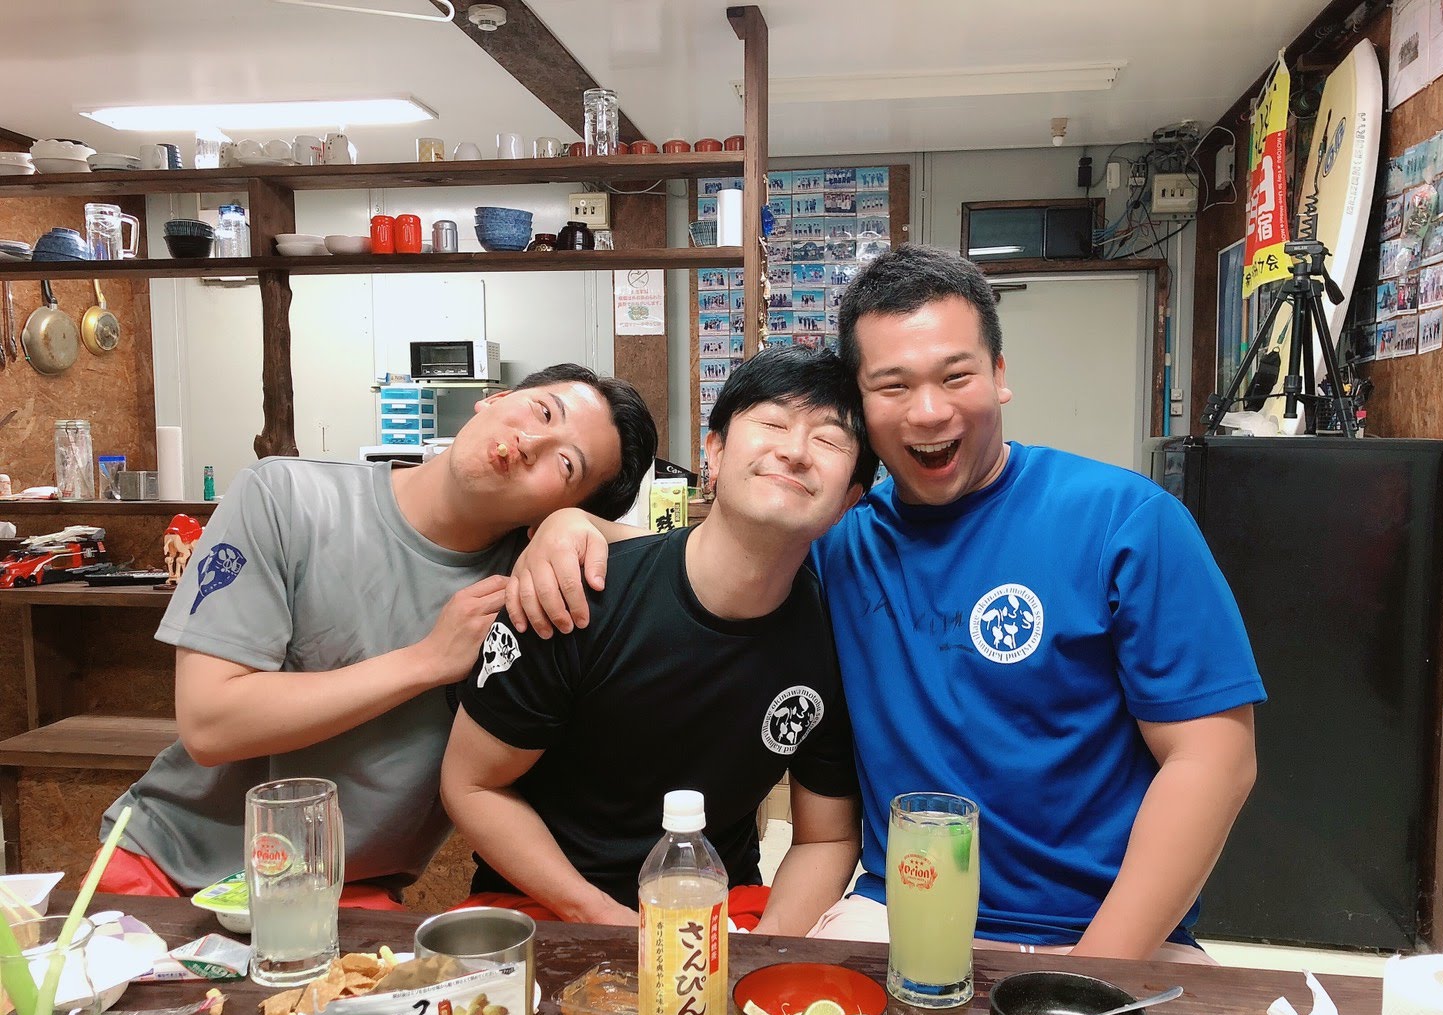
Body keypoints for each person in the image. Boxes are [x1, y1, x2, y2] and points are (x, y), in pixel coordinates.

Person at [502, 244, 1264, 962]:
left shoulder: (1124, 521)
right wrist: (574, 526)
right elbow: (718, 551)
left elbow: (1214, 761)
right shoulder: (841, 537)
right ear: (862, 408)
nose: (928, 411)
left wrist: (1092, 974)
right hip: (893, 909)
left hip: (1105, 930)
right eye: (893, 386)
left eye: (956, 376)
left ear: (1000, 374)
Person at [97, 364, 658, 907]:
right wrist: (427, 660)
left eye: (565, 464)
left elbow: (683, 557)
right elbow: (209, 723)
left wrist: (576, 525)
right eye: (542, 411)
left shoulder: (533, 583)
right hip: (171, 872)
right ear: (494, 399)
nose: (531, 442)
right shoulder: (285, 497)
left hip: (343, 897)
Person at [441, 346, 873, 934]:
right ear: (714, 453)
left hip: (720, 910)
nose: (795, 451)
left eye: (828, 440)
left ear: (850, 499)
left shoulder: (835, 635)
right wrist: (601, 918)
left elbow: (828, 837)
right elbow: (472, 784)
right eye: (772, 423)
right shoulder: (574, 591)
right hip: (548, 906)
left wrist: (761, 956)